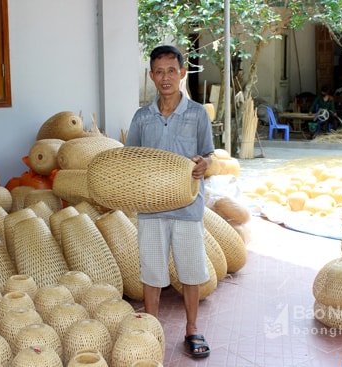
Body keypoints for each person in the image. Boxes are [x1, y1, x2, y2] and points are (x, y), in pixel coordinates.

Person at [125, 45, 214, 359]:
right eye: (159, 71)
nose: (165, 77)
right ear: (151, 76)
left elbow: (209, 155)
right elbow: (130, 159)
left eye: (171, 71)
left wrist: (205, 164)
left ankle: (192, 329)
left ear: (182, 74)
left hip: (188, 208)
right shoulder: (142, 118)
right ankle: (152, 329)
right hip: (150, 210)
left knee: (191, 271)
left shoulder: (197, 114)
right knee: (152, 272)